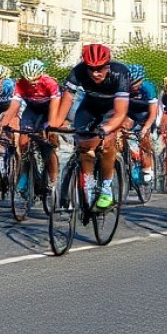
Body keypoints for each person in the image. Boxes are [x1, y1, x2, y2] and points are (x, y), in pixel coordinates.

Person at [51, 45, 130, 210]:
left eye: (100, 69)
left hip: (112, 109)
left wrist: (106, 129)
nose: (95, 73)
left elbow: (120, 113)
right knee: (83, 144)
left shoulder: (120, 72)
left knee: (107, 142)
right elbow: (67, 99)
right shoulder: (78, 71)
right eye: (91, 69)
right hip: (89, 107)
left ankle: (107, 189)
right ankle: (87, 182)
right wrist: (55, 125)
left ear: (108, 65)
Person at [0, 58, 63, 201]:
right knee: (23, 143)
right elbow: (15, 105)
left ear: (41, 75)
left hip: (48, 110)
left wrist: (51, 126)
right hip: (32, 110)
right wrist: (4, 123)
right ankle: (25, 175)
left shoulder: (50, 83)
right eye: (29, 81)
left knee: (48, 146)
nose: (32, 84)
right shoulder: (20, 84)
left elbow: (55, 105)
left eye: (35, 80)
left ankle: (53, 182)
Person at [119, 64, 159, 187]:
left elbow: (153, 112)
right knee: (122, 128)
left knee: (144, 137)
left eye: (134, 85)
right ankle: (125, 156)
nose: (131, 88)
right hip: (130, 112)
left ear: (141, 80)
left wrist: (146, 127)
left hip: (146, 114)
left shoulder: (148, 88)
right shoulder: (124, 86)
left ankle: (147, 169)